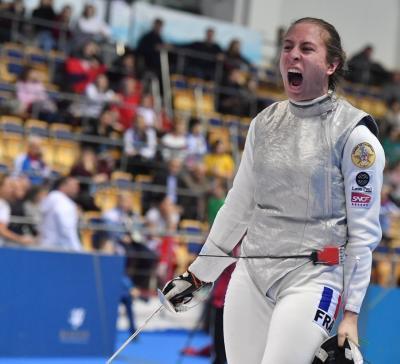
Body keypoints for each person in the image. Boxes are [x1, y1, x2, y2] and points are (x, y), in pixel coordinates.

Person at [162, 17, 385, 364]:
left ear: (331, 64)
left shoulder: (355, 136)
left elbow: (363, 234)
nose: (293, 55)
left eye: (306, 48)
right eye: (287, 47)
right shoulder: (263, 124)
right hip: (250, 274)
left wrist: (352, 315)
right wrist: (198, 274)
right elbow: (239, 206)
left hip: (314, 278)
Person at [39, 176, 82, 252]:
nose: (77, 188)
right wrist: (77, 248)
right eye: (74, 185)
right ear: (63, 185)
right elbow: (67, 228)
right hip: (60, 249)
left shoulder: (51, 197)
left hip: (46, 245)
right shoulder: (63, 202)